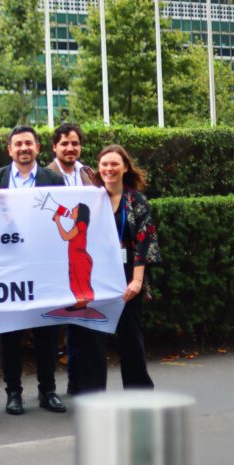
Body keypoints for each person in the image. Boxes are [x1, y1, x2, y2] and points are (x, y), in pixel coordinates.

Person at [0, 126, 67, 416]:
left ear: (38, 148)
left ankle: (48, 390)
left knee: (47, 331)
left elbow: (63, 218)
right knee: (11, 334)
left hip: (43, 265)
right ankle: (13, 393)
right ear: (10, 150)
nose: (23, 148)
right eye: (18, 144)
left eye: (28, 143)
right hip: (9, 267)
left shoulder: (54, 180)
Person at [82, 144, 160, 391]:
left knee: (130, 337)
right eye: (104, 164)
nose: (109, 169)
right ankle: (93, 394)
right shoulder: (92, 199)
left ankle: (138, 392)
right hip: (97, 275)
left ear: (125, 167)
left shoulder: (135, 200)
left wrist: (136, 282)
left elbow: (145, 242)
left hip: (128, 275)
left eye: (114, 164)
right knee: (93, 336)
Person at [46, 122, 95, 395]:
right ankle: (50, 388)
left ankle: (79, 382)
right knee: (53, 325)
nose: (70, 148)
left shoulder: (88, 174)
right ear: (54, 147)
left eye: (75, 143)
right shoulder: (46, 174)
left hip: (80, 252)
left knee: (82, 320)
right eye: (64, 143)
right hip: (54, 257)